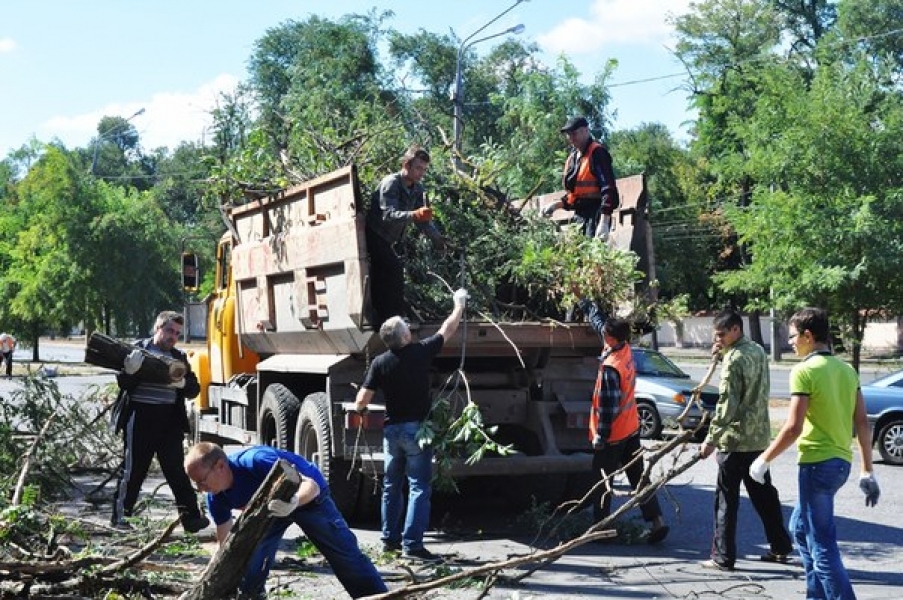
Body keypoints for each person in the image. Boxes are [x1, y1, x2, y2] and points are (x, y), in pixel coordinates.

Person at [749, 307, 879, 599]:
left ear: (808, 336)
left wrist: (763, 459)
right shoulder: (847, 370)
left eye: (793, 336)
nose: (790, 342)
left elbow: (793, 428)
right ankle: (815, 595)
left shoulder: (805, 370)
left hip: (817, 465)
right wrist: (867, 470)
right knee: (798, 529)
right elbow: (860, 422)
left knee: (822, 545)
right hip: (840, 465)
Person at [184, 442, 387, 600]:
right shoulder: (216, 496)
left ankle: (375, 596)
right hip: (271, 511)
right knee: (251, 559)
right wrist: (211, 576)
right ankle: (250, 595)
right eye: (196, 484)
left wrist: (294, 502)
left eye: (202, 481)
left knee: (345, 554)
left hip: (308, 499)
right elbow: (226, 545)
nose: (201, 489)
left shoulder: (256, 461)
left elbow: (312, 486)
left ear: (220, 466)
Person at [353, 287, 468, 561]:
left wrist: (361, 408)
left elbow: (361, 401)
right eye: (407, 328)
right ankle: (412, 546)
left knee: (392, 486)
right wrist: (459, 306)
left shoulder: (381, 363)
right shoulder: (420, 353)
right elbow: (447, 329)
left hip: (392, 432)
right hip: (417, 431)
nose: (410, 331)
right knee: (418, 487)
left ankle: (389, 541)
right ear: (404, 336)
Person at [698, 308, 793, 571]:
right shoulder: (757, 351)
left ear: (735, 330)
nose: (718, 339)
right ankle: (780, 547)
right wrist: (721, 352)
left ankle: (722, 557)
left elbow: (727, 404)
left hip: (735, 440)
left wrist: (711, 438)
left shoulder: (735, 359)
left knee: (726, 501)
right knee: (765, 498)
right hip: (759, 439)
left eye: (721, 334)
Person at [111, 310, 209, 534]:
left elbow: (194, 389)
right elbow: (123, 383)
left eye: (176, 333)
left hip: (169, 421)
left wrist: (182, 383)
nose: (172, 336)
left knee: (176, 472)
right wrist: (130, 371)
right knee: (133, 470)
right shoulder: (138, 350)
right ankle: (120, 518)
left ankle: (192, 519)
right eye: (169, 331)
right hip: (140, 417)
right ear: (158, 328)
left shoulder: (179, 357)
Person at [583, 310, 669, 544]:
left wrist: (601, 434)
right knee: (639, 477)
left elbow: (608, 405)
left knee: (602, 481)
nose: (602, 335)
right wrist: (585, 303)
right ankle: (657, 520)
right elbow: (599, 322)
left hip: (613, 434)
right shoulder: (625, 349)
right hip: (631, 428)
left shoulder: (612, 366)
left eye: (605, 334)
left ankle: (602, 529)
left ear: (609, 338)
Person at [365, 145, 446, 328]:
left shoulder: (418, 189)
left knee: (387, 273)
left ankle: (388, 318)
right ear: (406, 165)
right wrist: (414, 215)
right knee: (393, 268)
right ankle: (391, 319)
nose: (421, 173)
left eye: (424, 169)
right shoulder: (391, 183)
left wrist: (437, 239)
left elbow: (423, 220)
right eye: (418, 168)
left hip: (390, 240)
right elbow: (389, 215)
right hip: (375, 234)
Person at [541, 116, 619, 239]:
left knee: (593, 253)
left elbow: (608, 188)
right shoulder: (573, 158)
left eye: (574, 133)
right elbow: (575, 194)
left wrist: (604, 221)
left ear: (585, 131)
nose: (571, 138)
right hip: (580, 215)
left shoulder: (597, 153)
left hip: (596, 212)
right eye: (568, 135)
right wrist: (556, 205)